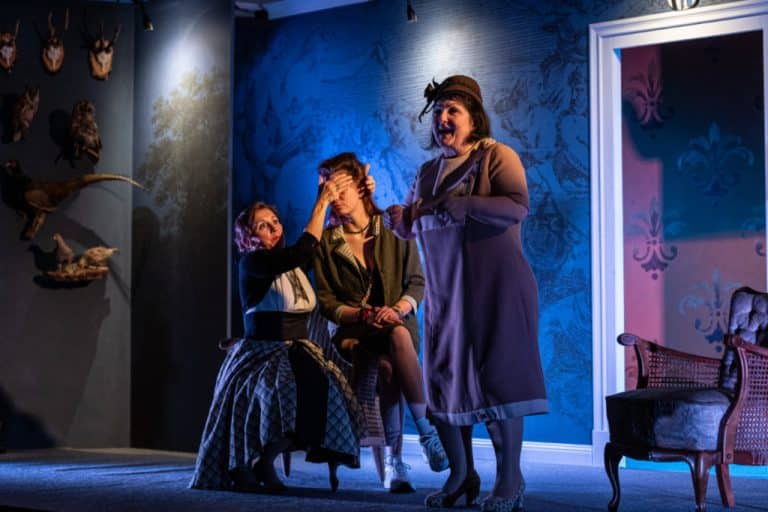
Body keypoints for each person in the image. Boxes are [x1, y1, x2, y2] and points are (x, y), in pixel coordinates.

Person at [384, 75, 548, 511]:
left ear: (473, 119)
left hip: (496, 291)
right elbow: (412, 226)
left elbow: (517, 206)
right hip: (446, 295)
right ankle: (461, 476)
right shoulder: (427, 173)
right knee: (445, 384)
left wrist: (466, 204)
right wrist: (399, 220)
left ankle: (509, 480)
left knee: (497, 382)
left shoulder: (496, 156)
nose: (443, 117)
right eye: (438, 110)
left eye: (453, 110)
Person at [190, 172, 369, 493]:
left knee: (324, 395)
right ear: (248, 235)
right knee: (280, 396)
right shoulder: (253, 263)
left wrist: (347, 199)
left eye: (275, 221)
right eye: (262, 225)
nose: (273, 228)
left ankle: (266, 460)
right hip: (263, 354)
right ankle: (247, 465)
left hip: (299, 349)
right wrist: (321, 201)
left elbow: (313, 248)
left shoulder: (292, 264)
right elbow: (303, 249)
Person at [312, 152, 449, 493]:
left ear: (361, 187)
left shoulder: (391, 226)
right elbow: (327, 302)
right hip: (353, 332)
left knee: (391, 358)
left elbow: (416, 283)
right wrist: (361, 314)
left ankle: (397, 458)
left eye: (340, 189)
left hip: (396, 324)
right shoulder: (327, 242)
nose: (334, 198)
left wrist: (397, 309)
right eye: (328, 191)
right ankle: (424, 433)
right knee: (392, 343)